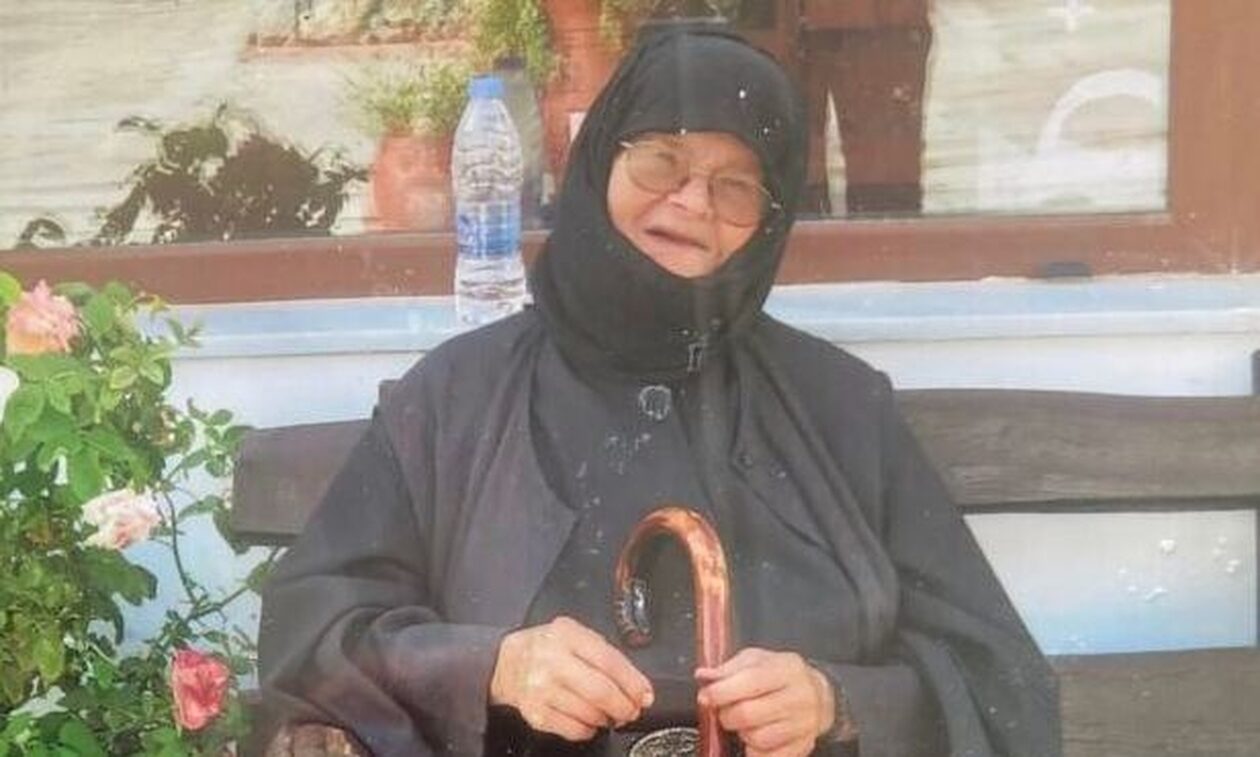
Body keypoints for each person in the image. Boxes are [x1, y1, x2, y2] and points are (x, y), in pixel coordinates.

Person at [258, 27, 1060, 757]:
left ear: (771, 220)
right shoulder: (455, 399)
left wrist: (838, 702)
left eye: (736, 185)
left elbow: (999, 675)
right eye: (661, 162)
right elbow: (315, 632)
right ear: (599, 161)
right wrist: (493, 665)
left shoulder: (841, 406)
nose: (693, 202)